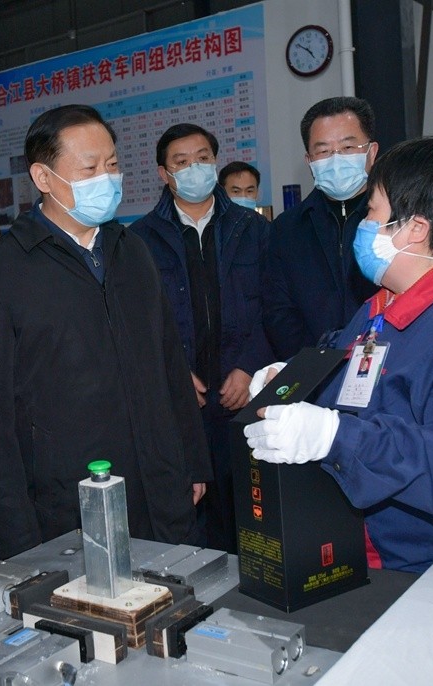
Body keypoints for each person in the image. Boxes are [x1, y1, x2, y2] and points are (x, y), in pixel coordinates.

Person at [245, 137, 433, 573]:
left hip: (426, 571)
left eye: (372, 212)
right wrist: (294, 380)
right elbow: (358, 380)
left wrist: (335, 437)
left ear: (414, 228)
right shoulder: (383, 304)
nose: (363, 223)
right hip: (359, 548)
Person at [0, 104, 211, 561]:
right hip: (68, 513)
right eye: (89, 168)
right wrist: (17, 541)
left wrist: (192, 462)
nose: (106, 179)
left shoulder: (133, 252)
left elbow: (170, 366)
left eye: (112, 164)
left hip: (161, 494)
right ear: (43, 177)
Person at [129, 124, 272, 553]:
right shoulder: (138, 240)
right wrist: (173, 374)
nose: (195, 167)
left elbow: (274, 308)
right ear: (164, 174)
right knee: (193, 520)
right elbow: (139, 324)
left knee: (253, 515)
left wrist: (248, 367)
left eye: (203, 157)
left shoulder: (253, 229)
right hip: (182, 408)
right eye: (182, 161)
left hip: (243, 397)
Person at [263, 97, 380, 360]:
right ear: (309, 160)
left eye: (348, 147)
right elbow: (278, 311)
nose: (336, 159)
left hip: (386, 363)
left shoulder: (396, 219)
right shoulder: (287, 228)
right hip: (312, 368)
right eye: (324, 151)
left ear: (371, 152)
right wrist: (316, 362)